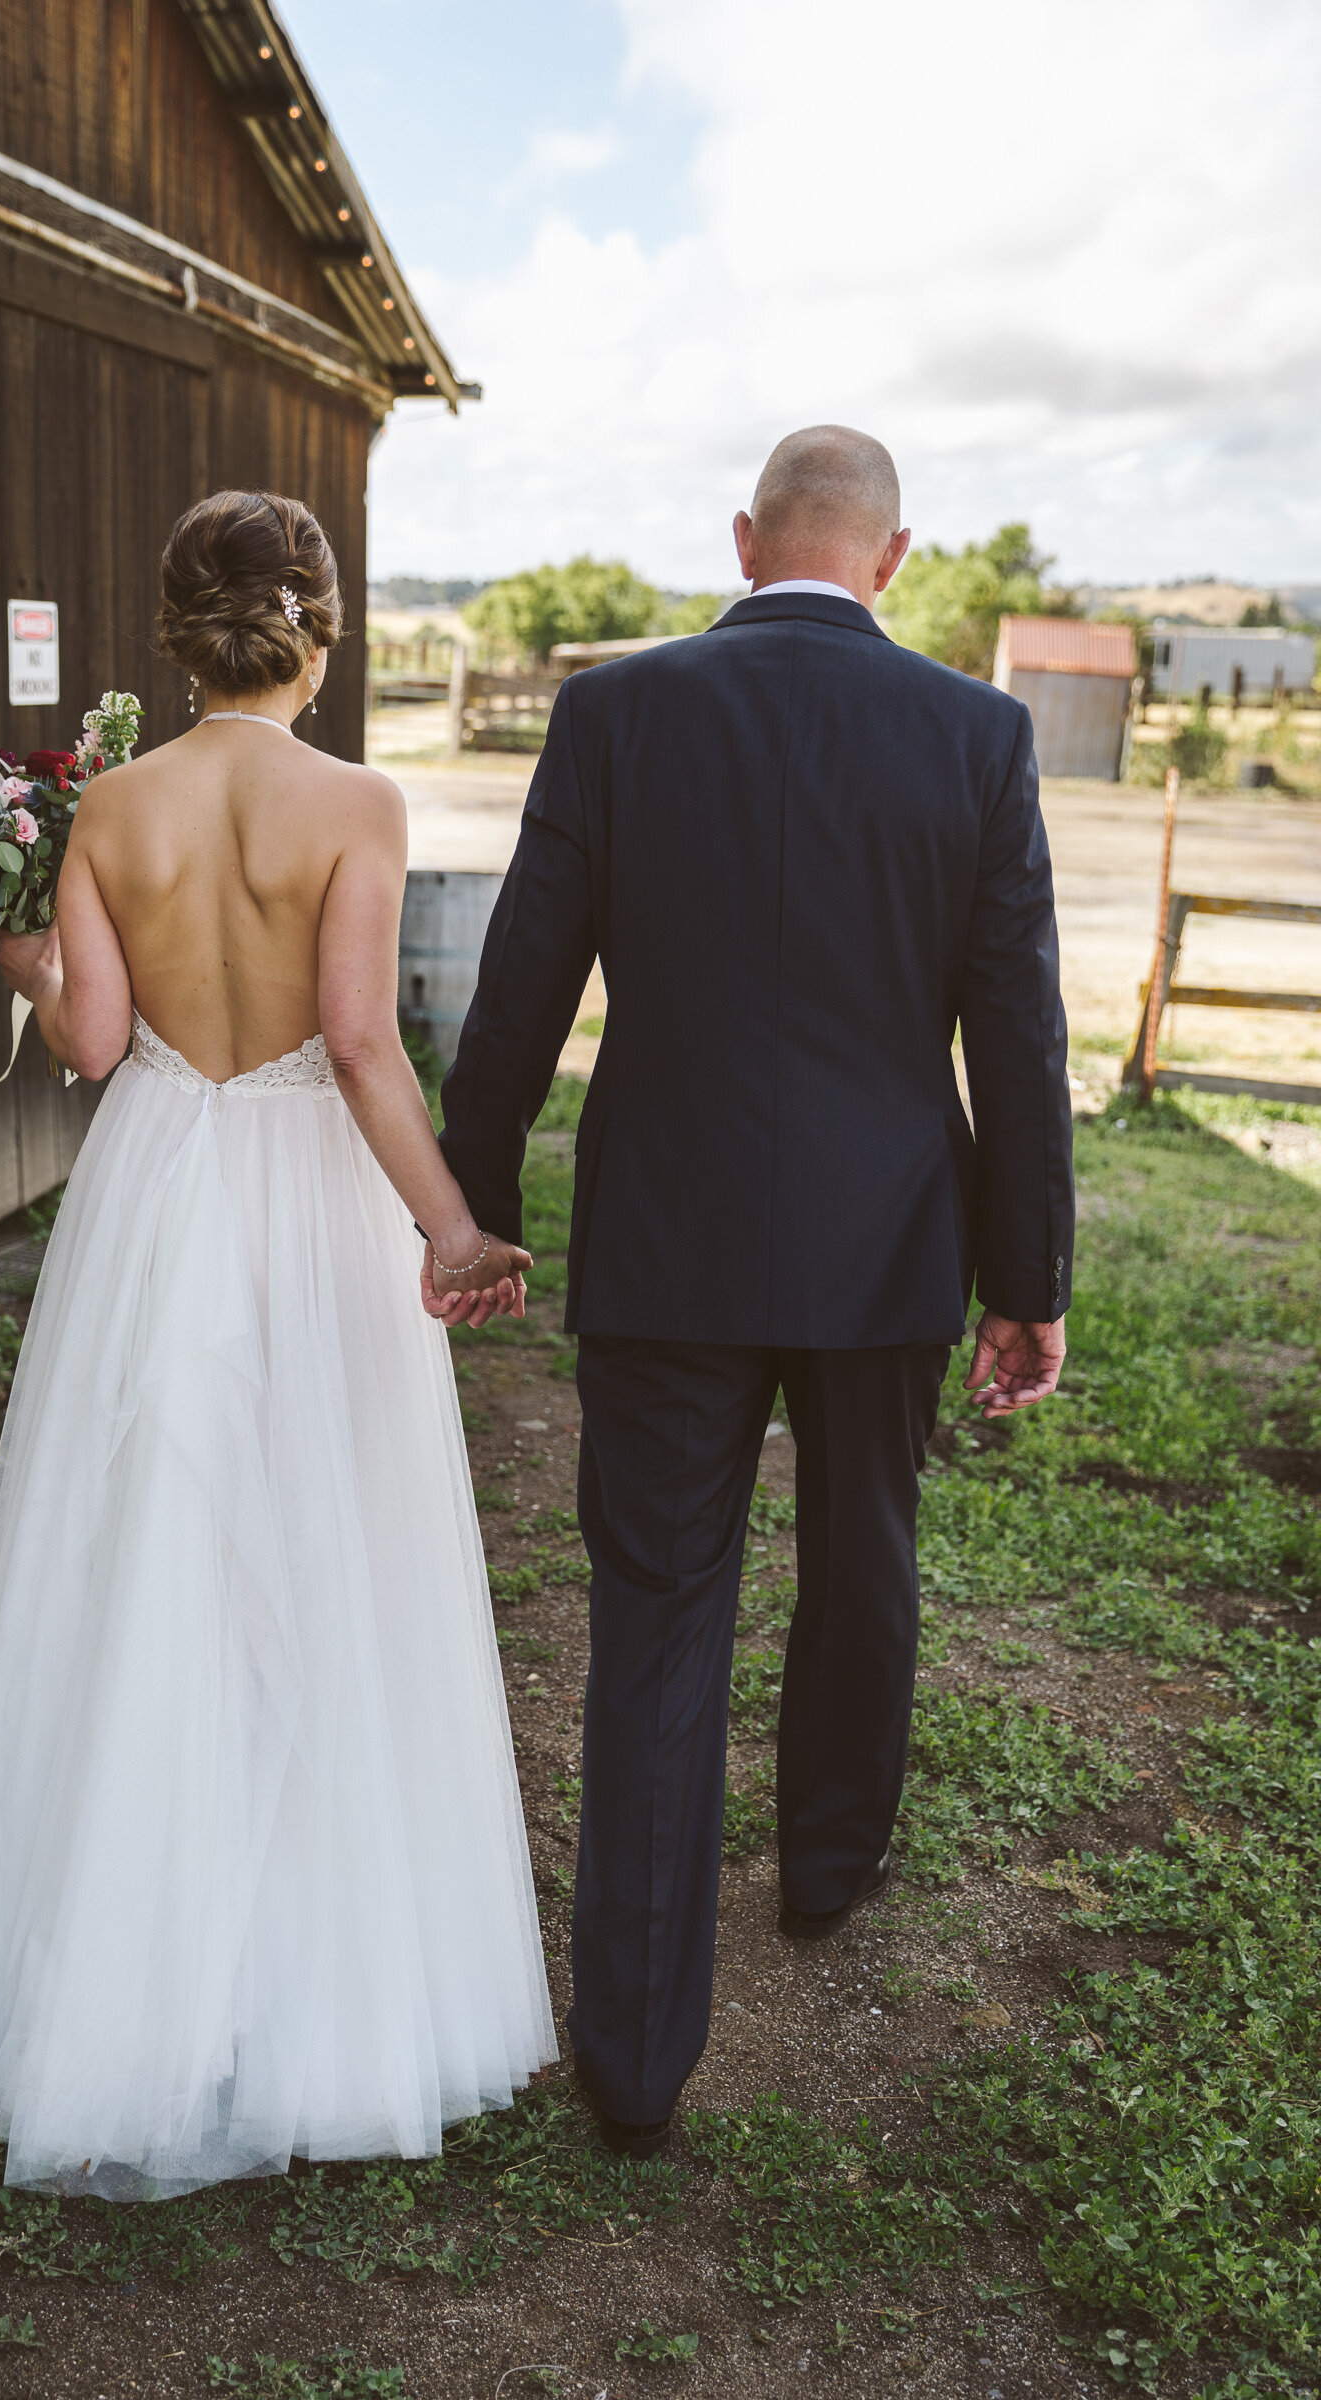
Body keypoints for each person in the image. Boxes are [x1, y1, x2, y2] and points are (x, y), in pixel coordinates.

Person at [0, 489, 555, 2198]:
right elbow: (356, 1041)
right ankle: (314, 1992)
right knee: (326, 1546)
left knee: (157, 1549)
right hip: (309, 1197)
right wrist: (449, 1225)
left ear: (177, 632)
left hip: (165, 1191)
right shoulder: (356, 800)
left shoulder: (113, 804)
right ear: (319, 632)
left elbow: (102, 1039)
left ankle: (126, 1983)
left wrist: (15, 943)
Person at [436, 425, 1075, 2157]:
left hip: (667, 1242)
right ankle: (825, 1868)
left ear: (743, 541)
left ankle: (632, 2061)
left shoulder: (615, 715)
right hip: (886, 1246)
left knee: (656, 1609)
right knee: (866, 1555)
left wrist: (469, 1201)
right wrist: (1029, 1281)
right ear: (892, 557)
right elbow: (1017, 1035)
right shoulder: (975, 733)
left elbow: (519, 991)